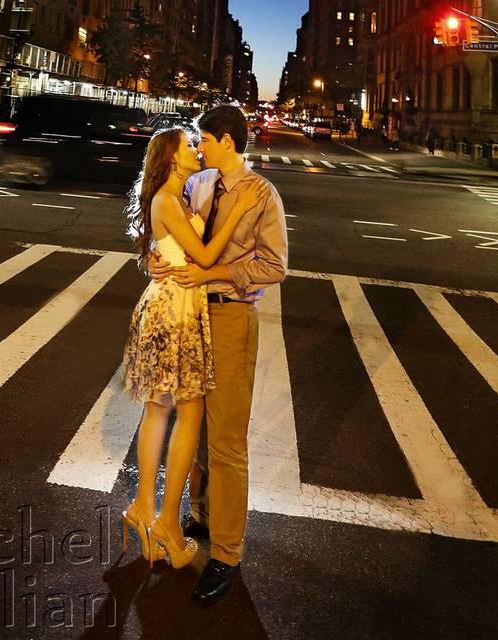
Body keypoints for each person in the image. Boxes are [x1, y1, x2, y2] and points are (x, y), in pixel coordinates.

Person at [150, 105, 288, 605]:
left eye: (204, 139)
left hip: (230, 316)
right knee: (195, 424)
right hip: (190, 314)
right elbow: (173, 230)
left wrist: (216, 275)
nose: (199, 146)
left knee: (226, 439)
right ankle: (202, 515)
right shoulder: (199, 183)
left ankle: (227, 553)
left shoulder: (261, 195)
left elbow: (274, 265)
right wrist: (156, 252)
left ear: (226, 141)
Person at [121, 127, 265, 573]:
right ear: (170, 157)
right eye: (188, 145)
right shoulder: (169, 198)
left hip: (174, 304)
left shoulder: (180, 194)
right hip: (175, 310)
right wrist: (239, 208)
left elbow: (168, 247)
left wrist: (154, 258)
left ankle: (147, 511)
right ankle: (162, 519)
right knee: (185, 411)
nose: (195, 149)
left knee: (160, 409)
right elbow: (202, 257)